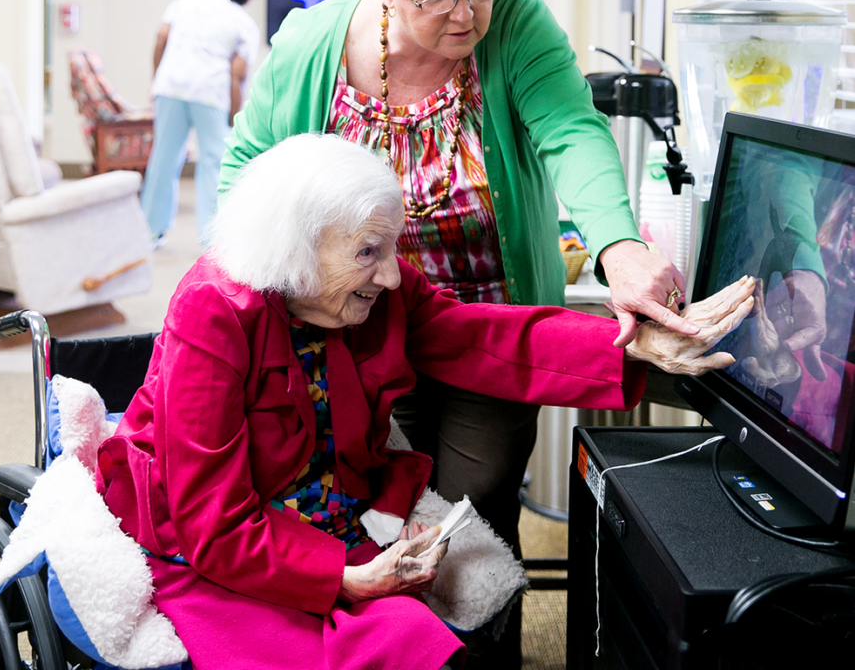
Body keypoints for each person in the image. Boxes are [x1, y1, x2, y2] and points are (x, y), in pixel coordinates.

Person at [218, 0, 692, 663]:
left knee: (466, 514)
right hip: (357, 326)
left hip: (485, 324)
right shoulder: (311, 45)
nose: (465, 12)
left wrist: (618, 247)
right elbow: (246, 168)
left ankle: (482, 650)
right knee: (368, 504)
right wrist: (237, 293)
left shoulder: (515, 25)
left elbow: (570, 132)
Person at [98, 135, 754, 670]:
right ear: (295, 250)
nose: (390, 275)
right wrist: (342, 579)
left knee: (429, 652)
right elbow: (209, 520)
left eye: (390, 250)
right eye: (366, 253)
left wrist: (628, 346)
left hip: (327, 523)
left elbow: (484, 338)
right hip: (218, 553)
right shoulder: (214, 307)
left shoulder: (381, 289)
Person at [141, 0, 260, 247]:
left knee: (163, 158)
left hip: (170, 87)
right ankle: (213, 239)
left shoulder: (188, 0)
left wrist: (157, 78)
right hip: (210, 93)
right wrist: (234, 114)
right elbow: (237, 75)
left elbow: (161, 38)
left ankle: (151, 232)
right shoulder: (244, 23)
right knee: (214, 163)